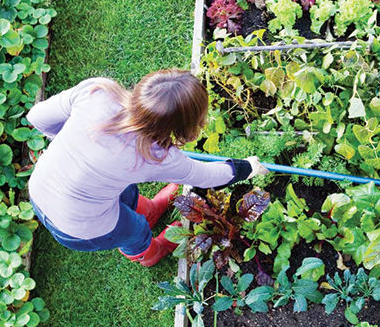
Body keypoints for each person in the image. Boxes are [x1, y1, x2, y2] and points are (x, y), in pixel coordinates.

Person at [26, 69, 268, 267]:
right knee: (134, 229)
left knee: (123, 190)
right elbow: (207, 176)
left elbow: (37, 117)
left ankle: (150, 210)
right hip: (77, 227)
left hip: (40, 187)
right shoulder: (154, 156)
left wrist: (69, 144)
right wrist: (248, 167)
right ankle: (150, 253)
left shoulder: (98, 92)